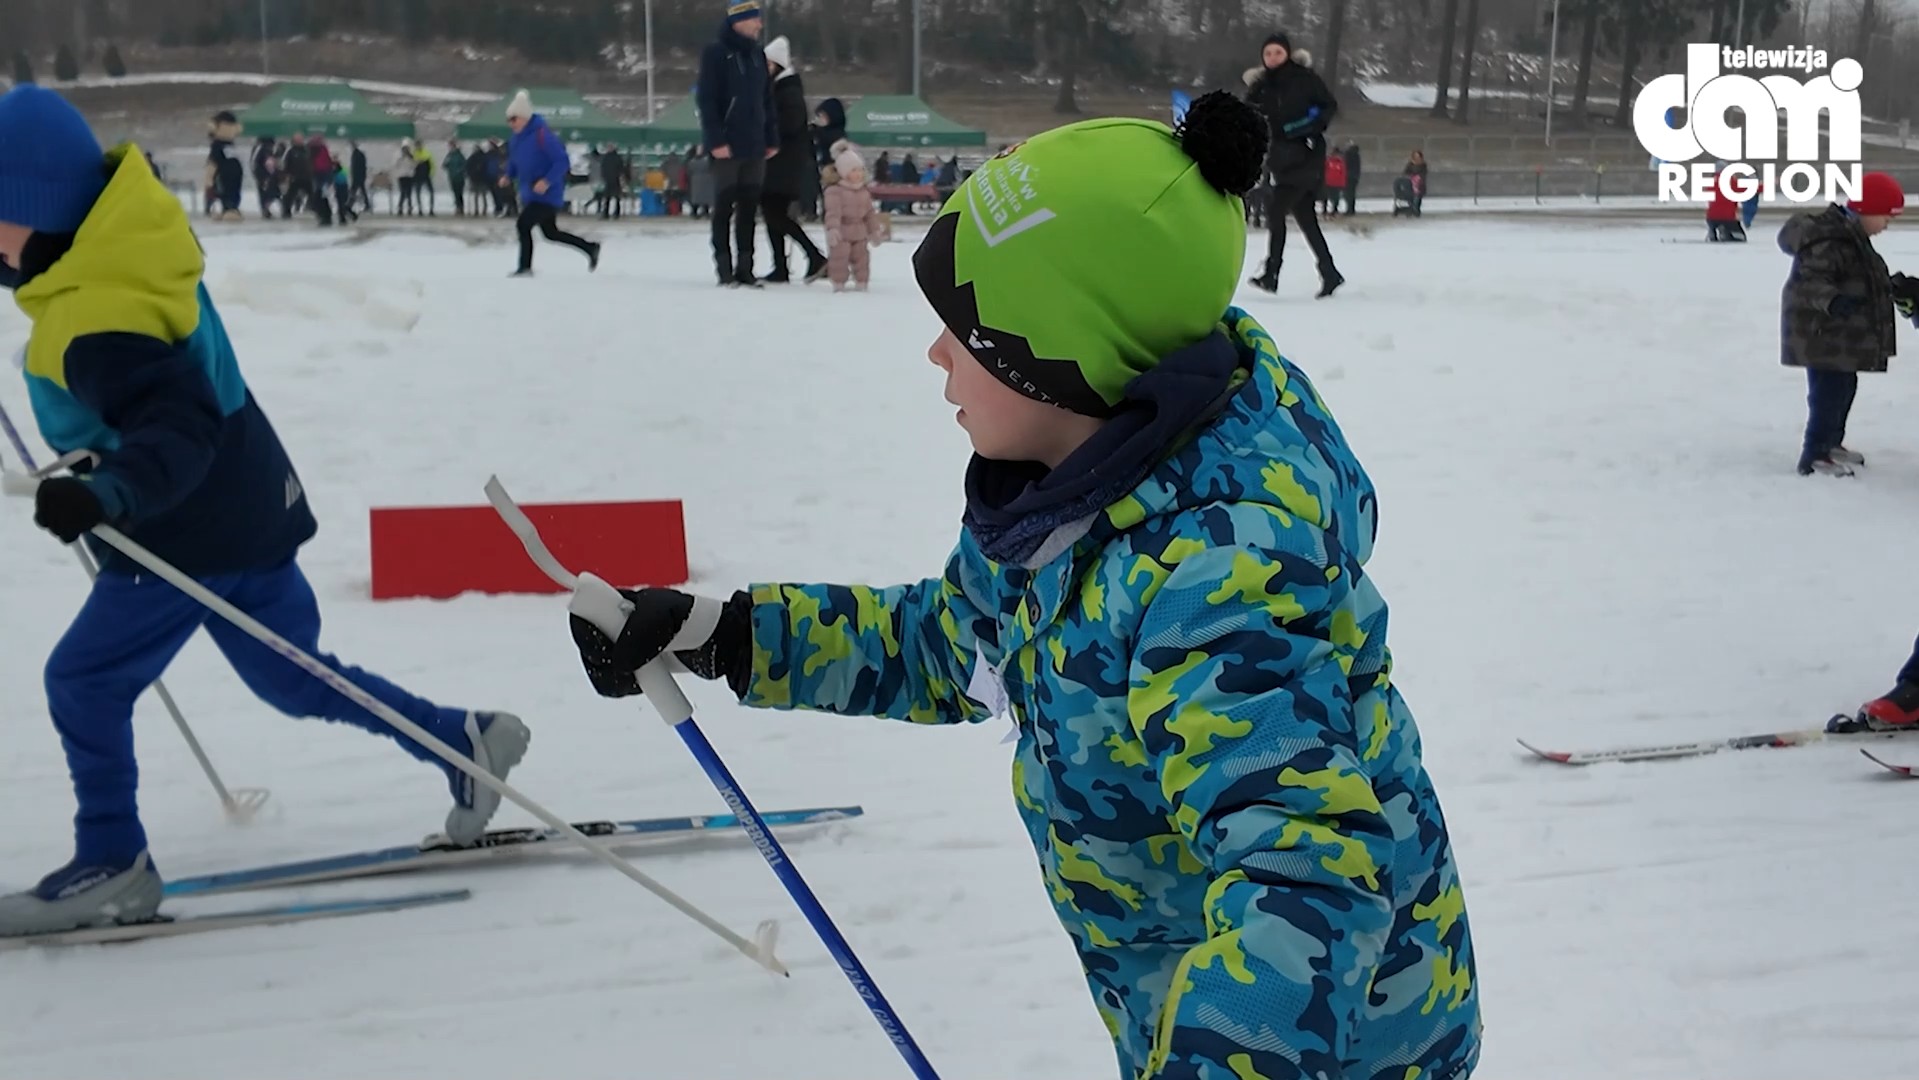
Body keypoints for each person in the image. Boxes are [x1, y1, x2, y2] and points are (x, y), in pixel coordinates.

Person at [565, 91, 1480, 1080]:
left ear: (1061, 359)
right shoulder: (1061, 504)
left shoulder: (1217, 577)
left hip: (1336, 1051)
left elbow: (1307, 878)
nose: (936, 355)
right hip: (1184, 1016)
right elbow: (951, 645)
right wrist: (727, 633)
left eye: (966, 333)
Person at [0, 85, 531, 936]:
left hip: (184, 527)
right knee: (292, 677)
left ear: (31, 207)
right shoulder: (125, 247)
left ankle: (112, 860)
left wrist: (106, 493)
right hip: (247, 505)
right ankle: (458, 740)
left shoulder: (99, 316)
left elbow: (175, 427)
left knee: (84, 680)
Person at [1777, 171, 1913, 476]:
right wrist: (1833, 301)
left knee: (1843, 389)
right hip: (1824, 335)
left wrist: (1890, 287)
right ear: (1866, 209)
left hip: (1841, 338)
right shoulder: (1829, 241)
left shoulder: (1853, 239)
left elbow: (1863, 276)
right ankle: (1814, 454)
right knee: (1827, 394)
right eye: (1885, 217)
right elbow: (1809, 282)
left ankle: (1831, 443)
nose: (1887, 225)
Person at [1244, 32, 1342, 297]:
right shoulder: (1261, 86)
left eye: (1277, 52)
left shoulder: (1304, 79)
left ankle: (1272, 273)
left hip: (1306, 154)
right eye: (1268, 54)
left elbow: (1329, 105)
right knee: (1306, 218)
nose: (1273, 58)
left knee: (1276, 210)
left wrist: (1307, 126)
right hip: (1281, 158)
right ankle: (1330, 272)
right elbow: (1246, 114)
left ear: (1287, 53)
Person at [696, 0, 780, 287]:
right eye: (754, 19)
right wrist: (716, 140)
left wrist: (771, 137)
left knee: (748, 208)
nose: (759, 25)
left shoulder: (757, 54)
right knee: (723, 207)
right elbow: (707, 100)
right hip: (727, 146)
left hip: (755, 145)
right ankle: (724, 267)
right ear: (739, 21)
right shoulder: (716, 54)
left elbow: (766, 101)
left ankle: (746, 267)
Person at [504, 89, 601, 278]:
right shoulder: (516, 140)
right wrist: (508, 175)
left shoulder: (543, 136)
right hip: (530, 193)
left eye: (514, 119)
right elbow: (515, 161)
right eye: (508, 120)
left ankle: (525, 267)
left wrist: (547, 181)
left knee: (523, 225)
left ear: (524, 118)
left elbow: (562, 161)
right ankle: (590, 247)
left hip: (548, 194)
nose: (511, 124)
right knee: (550, 233)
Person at [760, 36, 827, 283]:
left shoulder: (787, 90)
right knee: (771, 214)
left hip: (783, 164)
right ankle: (781, 265)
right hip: (777, 163)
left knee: (776, 215)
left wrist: (766, 132)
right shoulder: (779, 88)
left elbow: (789, 125)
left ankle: (814, 256)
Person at [822, 146, 879, 292]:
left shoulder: (863, 191)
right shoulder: (835, 191)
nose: (858, 174)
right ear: (844, 172)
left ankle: (861, 281)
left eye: (860, 170)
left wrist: (874, 230)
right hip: (842, 232)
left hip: (860, 232)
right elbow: (832, 213)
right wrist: (833, 229)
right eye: (854, 170)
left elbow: (869, 213)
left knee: (862, 258)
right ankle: (838, 282)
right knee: (839, 258)